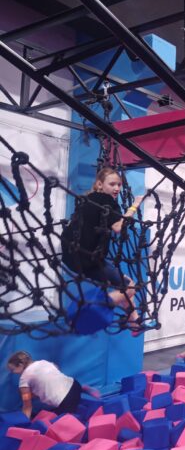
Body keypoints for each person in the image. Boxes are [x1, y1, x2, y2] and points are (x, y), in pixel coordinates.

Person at [61, 168, 143, 330]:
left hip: (72, 257)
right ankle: (82, 310)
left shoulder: (87, 199)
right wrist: (135, 205)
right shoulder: (107, 201)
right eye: (112, 184)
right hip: (89, 260)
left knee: (124, 283)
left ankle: (134, 321)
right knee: (130, 287)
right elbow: (118, 227)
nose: (116, 188)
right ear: (99, 184)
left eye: (119, 185)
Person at [6, 351, 99, 418]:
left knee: (59, 422)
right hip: (75, 384)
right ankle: (83, 388)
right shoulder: (43, 362)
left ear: (20, 365)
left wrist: (24, 422)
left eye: (13, 369)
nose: (13, 372)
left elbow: (27, 406)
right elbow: (56, 368)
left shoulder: (24, 379)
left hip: (67, 400)